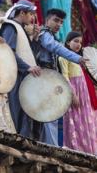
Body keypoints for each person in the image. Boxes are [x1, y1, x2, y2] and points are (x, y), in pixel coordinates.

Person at [36, 9, 89, 146]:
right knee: (48, 115)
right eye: (56, 20)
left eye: (61, 22)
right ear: (47, 20)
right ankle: (50, 148)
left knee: (51, 115)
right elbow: (53, 47)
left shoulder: (52, 36)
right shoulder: (44, 35)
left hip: (50, 78)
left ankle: (50, 146)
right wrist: (77, 58)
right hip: (43, 78)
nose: (59, 24)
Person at [0, 0, 42, 139]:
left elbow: (29, 54)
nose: (33, 18)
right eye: (30, 14)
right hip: (14, 77)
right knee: (16, 111)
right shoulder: (10, 27)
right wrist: (27, 67)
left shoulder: (19, 28)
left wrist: (34, 39)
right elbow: (8, 51)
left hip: (22, 76)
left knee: (24, 112)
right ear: (22, 13)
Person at [59, 32, 97, 154]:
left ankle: (88, 149)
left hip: (83, 94)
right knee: (75, 121)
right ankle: (76, 148)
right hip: (74, 92)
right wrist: (72, 95)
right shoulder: (63, 57)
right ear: (68, 42)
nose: (78, 44)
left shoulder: (79, 59)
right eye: (75, 41)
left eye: (80, 42)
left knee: (85, 121)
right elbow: (65, 77)